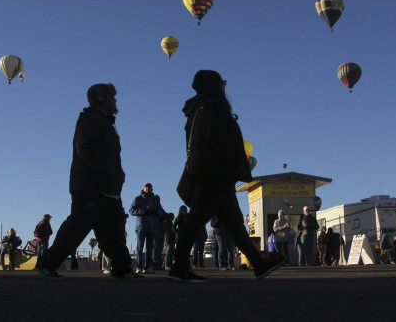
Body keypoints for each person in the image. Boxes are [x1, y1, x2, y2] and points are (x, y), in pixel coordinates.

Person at [168, 70, 284, 283]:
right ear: (215, 85)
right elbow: (218, 140)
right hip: (214, 173)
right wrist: (231, 166)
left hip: (208, 171)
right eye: (222, 83)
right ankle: (179, 267)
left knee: (233, 224)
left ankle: (259, 264)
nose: (224, 87)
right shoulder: (214, 106)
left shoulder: (197, 108)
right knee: (196, 220)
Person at [35, 83, 140, 279]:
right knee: (78, 226)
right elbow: (86, 148)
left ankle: (122, 268)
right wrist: (104, 171)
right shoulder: (92, 120)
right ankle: (47, 263)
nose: (115, 101)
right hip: (91, 185)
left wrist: (116, 175)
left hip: (106, 186)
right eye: (112, 98)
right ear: (103, 100)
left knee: (113, 229)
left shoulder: (104, 121)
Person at [129, 183, 165, 274]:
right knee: (140, 248)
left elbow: (161, 210)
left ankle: (148, 267)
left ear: (152, 189)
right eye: (146, 187)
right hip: (141, 227)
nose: (148, 189)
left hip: (152, 227)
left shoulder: (155, 200)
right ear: (144, 188)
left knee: (150, 248)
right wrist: (143, 211)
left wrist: (157, 213)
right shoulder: (138, 199)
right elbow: (131, 210)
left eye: (150, 187)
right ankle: (138, 267)